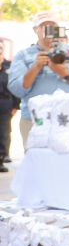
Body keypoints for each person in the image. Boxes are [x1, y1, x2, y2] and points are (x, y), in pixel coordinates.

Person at [7, 12, 69, 145]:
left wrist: (65, 73)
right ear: (36, 30)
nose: (49, 31)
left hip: (68, 117)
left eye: (53, 27)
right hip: (34, 119)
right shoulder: (23, 55)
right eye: (44, 27)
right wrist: (35, 67)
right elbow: (17, 90)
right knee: (36, 161)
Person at [0, 41, 19, 172]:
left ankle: (1, 157)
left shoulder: (9, 66)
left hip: (5, 103)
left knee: (4, 132)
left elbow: (15, 86)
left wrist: (16, 105)